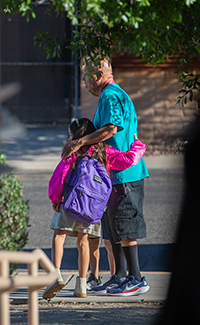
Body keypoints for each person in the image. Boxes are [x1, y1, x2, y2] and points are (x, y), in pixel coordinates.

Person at [62, 58, 150, 296]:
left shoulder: (111, 95)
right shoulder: (111, 94)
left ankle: (137, 278)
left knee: (125, 226)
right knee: (114, 229)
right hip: (114, 176)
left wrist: (79, 141)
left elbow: (111, 128)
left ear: (98, 74)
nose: (84, 82)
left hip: (125, 175)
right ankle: (120, 276)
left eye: (85, 77)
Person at [43, 117, 146, 299]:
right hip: (91, 207)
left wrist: (55, 198)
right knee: (83, 241)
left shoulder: (73, 151)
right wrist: (138, 145)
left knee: (59, 235)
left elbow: (60, 176)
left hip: (71, 202)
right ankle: (82, 285)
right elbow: (128, 159)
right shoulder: (104, 152)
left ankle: (55, 274)